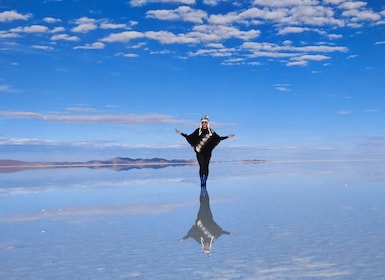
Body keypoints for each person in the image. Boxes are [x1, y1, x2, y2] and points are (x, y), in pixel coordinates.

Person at [175, 115, 234, 188]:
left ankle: (204, 181)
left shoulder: (211, 132)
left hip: (208, 152)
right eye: (203, 122)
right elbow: (190, 137)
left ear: (208, 123)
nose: (204, 124)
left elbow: (218, 138)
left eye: (205, 122)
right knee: (202, 166)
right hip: (200, 152)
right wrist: (181, 133)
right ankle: (201, 181)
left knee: (206, 166)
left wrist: (227, 137)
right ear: (201, 123)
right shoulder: (198, 130)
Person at [178, 188, 235, 256]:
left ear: (203, 248)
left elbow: (191, 234)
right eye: (208, 248)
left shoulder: (199, 240)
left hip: (200, 217)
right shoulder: (213, 238)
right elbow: (220, 232)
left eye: (205, 248)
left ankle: (202, 188)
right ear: (210, 247)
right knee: (207, 204)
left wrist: (183, 238)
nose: (206, 247)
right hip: (209, 217)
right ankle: (204, 188)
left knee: (202, 204)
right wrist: (229, 233)